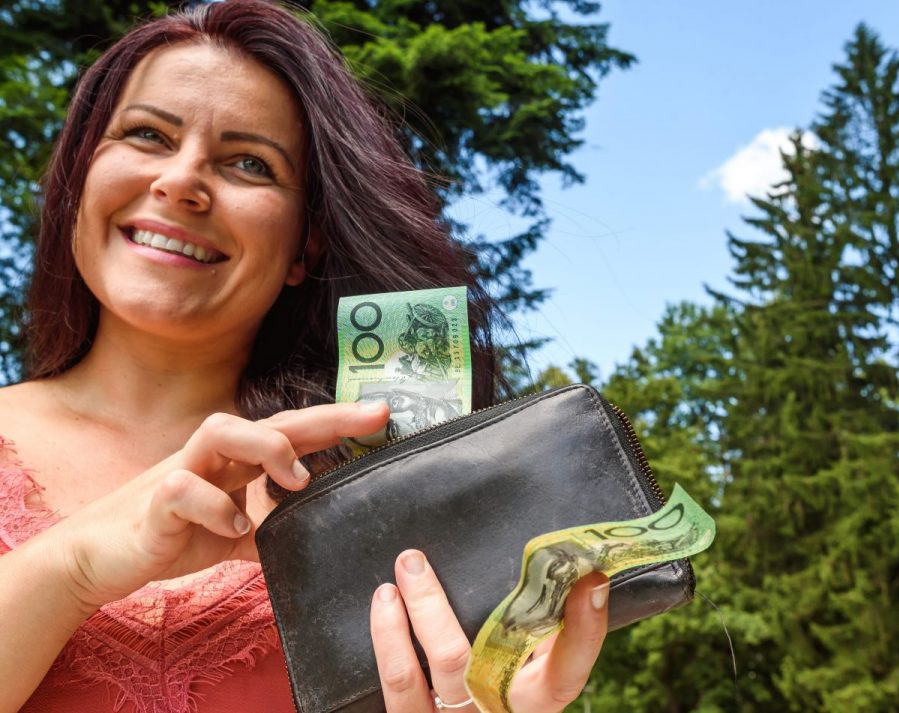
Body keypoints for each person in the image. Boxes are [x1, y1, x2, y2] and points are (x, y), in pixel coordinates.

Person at [0, 2, 610, 711]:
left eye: (250, 163)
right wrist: (71, 567)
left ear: (304, 247)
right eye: (147, 134)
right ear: (79, 178)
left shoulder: (387, 489)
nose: (182, 181)